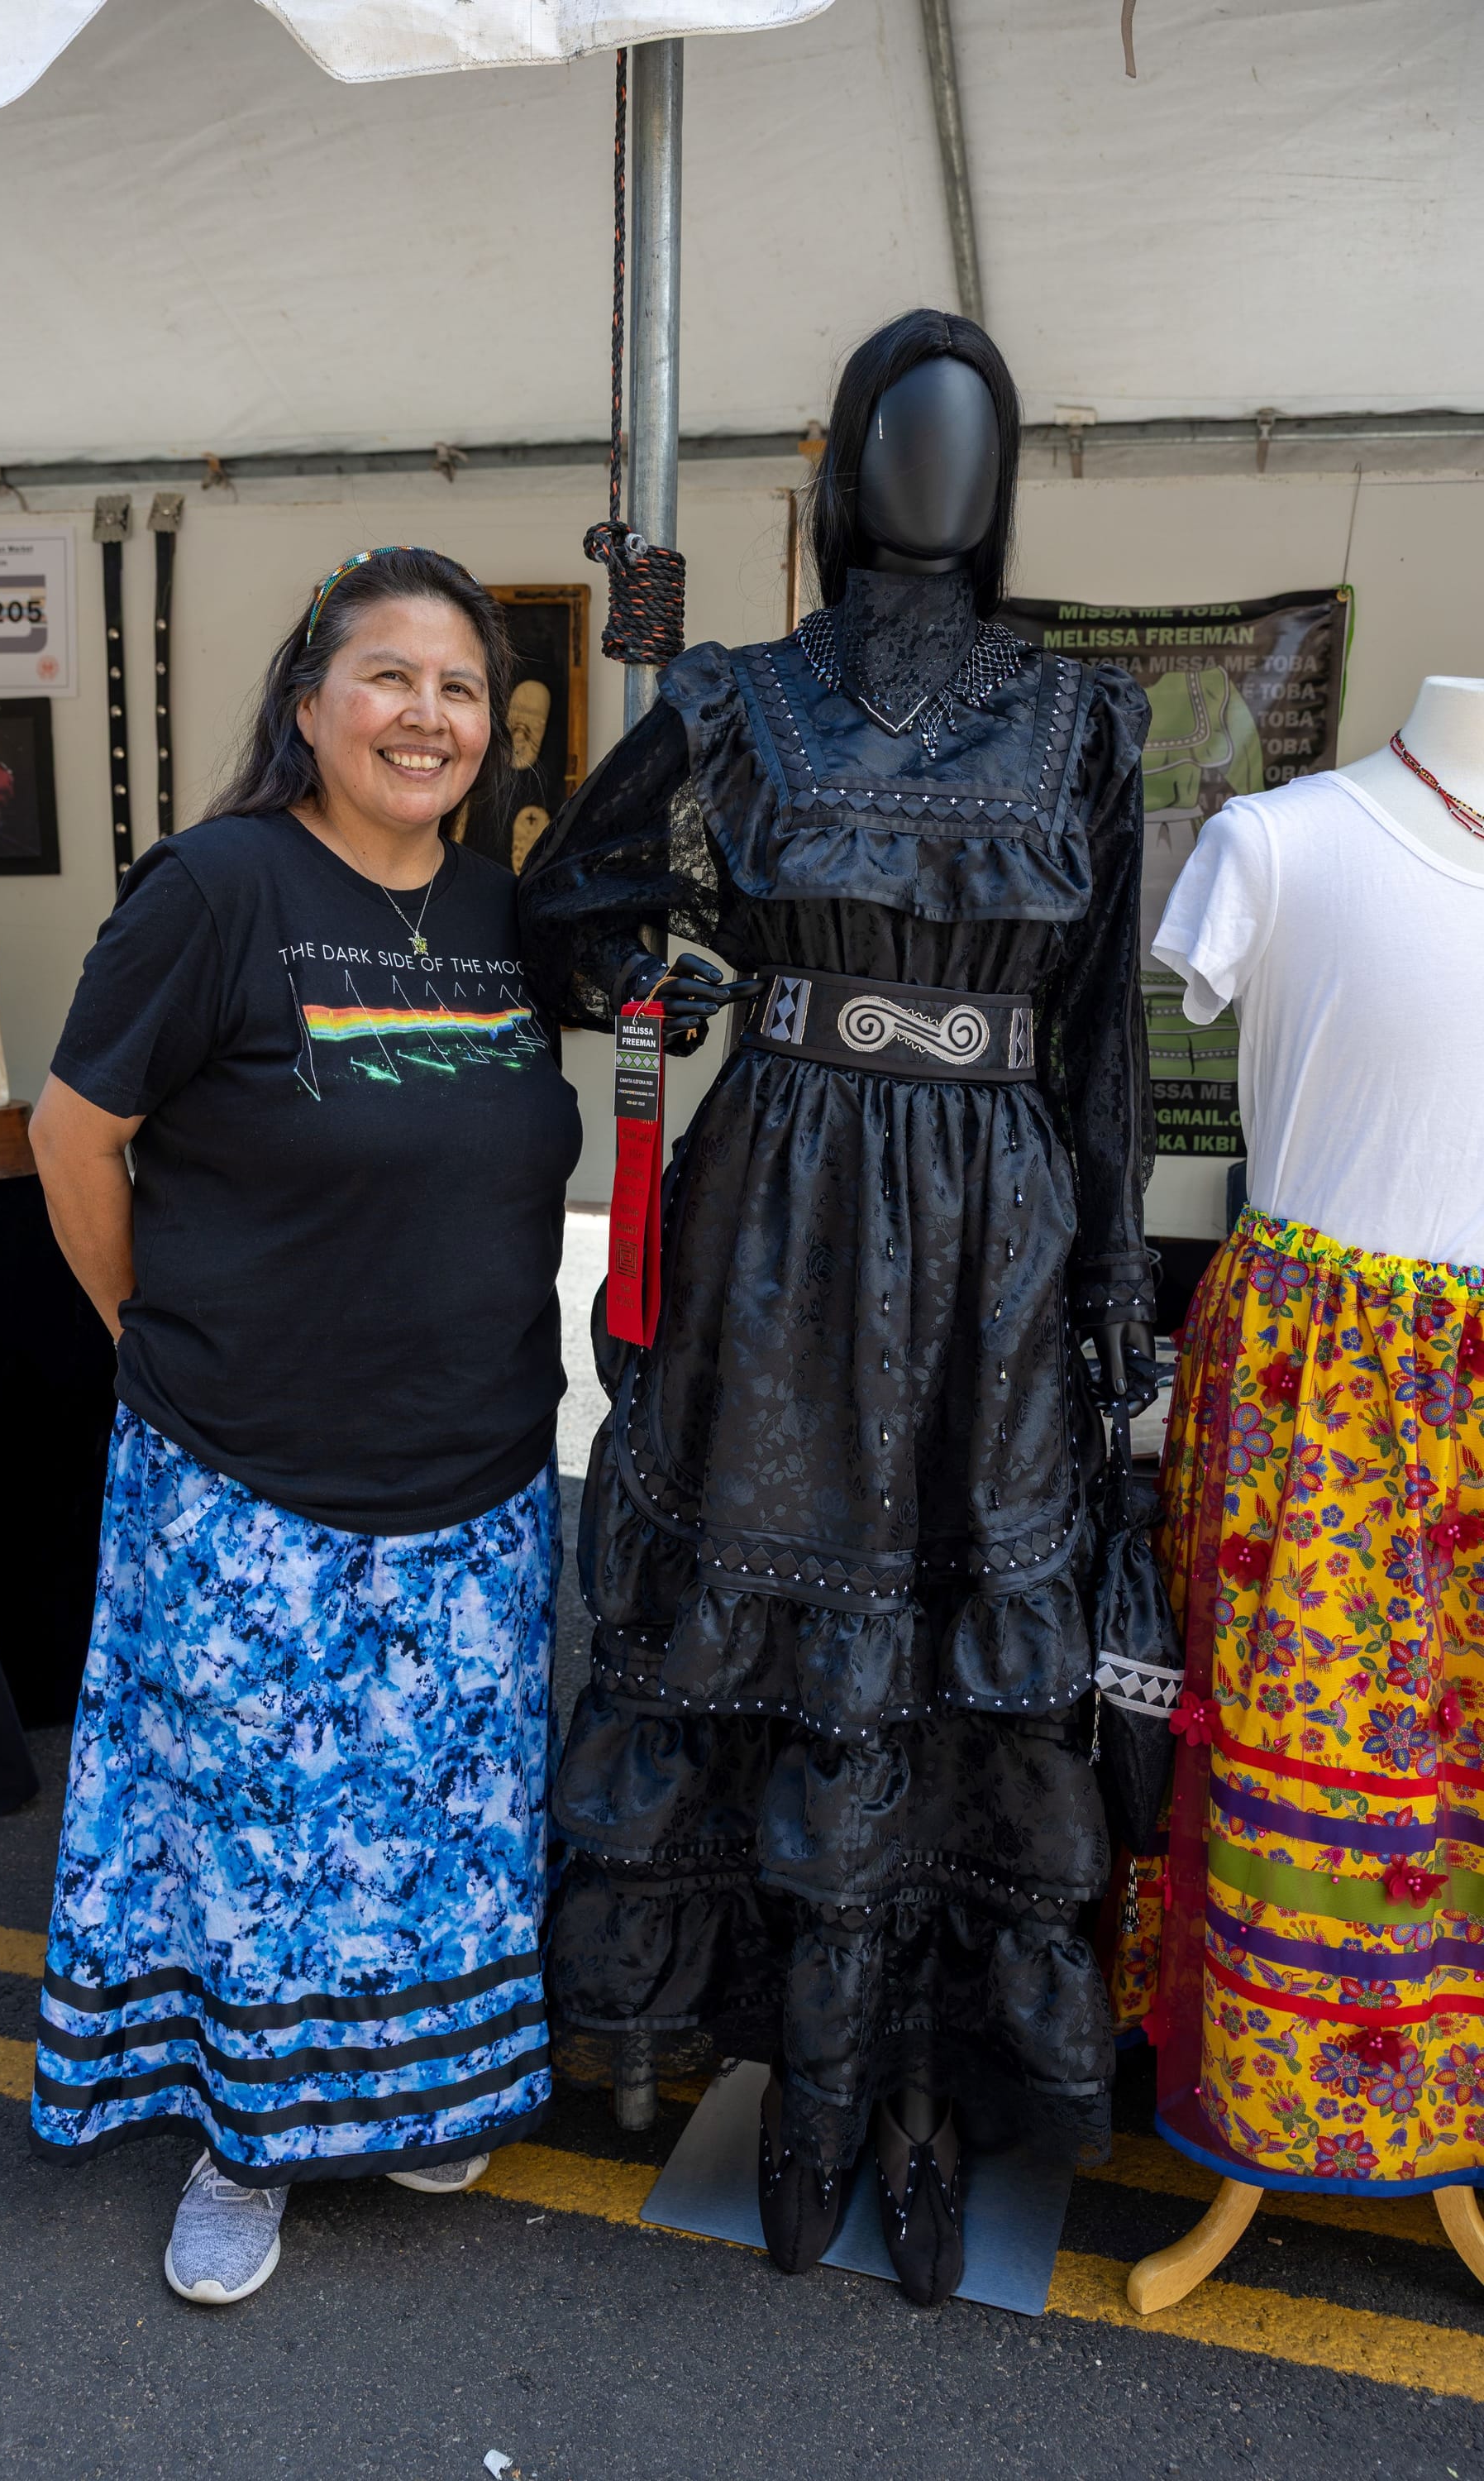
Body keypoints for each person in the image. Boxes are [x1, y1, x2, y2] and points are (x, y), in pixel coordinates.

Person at [518, 313, 1153, 2307]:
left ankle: (919, 2096)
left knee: (962, 1652)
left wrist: (1115, 1274)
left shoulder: (1084, 722)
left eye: (972, 434)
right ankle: (797, 2081)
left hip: (996, 1232)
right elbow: (569, 909)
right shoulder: (736, 698)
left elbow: (1102, 1034)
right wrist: (668, 978)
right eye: (904, 427)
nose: (936, 467)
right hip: (778, 1213)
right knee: (777, 1632)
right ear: (847, 459)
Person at [27, 545, 582, 2305]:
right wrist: (149, 1336)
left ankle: (415, 2098)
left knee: (438, 1831)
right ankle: (244, 2144)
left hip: (477, 1469)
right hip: (247, 1477)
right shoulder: (217, 889)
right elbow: (71, 1135)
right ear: (308, 701)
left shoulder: (503, 916)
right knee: (257, 1842)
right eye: (389, 677)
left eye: (459, 688)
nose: (428, 715)